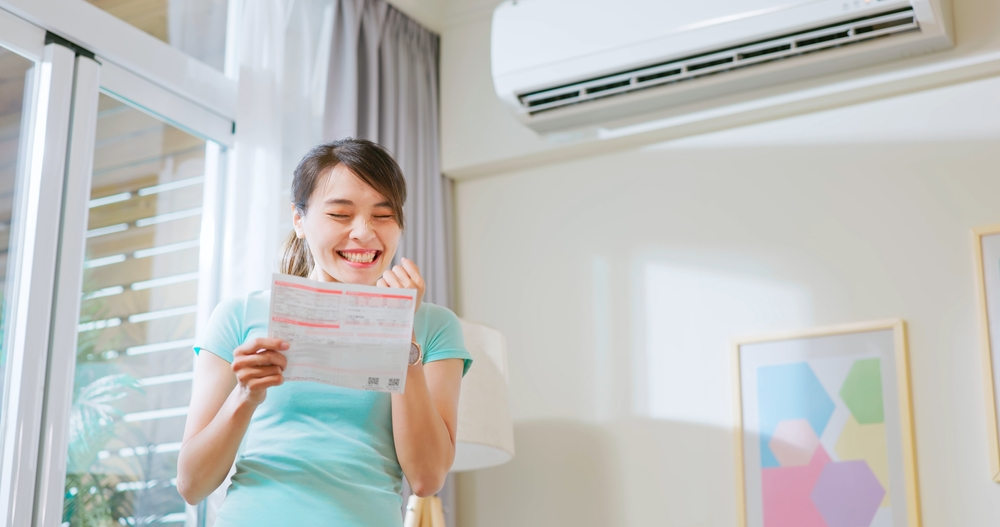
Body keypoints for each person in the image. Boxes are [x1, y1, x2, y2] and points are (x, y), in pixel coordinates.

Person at [177, 138, 472, 526]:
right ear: (299, 220)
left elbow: (426, 477)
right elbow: (192, 483)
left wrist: (400, 333)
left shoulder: (434, 326)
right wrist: (246, 395)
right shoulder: (240, 315)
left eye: (383, 215)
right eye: (340, 215)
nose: (364, 234)